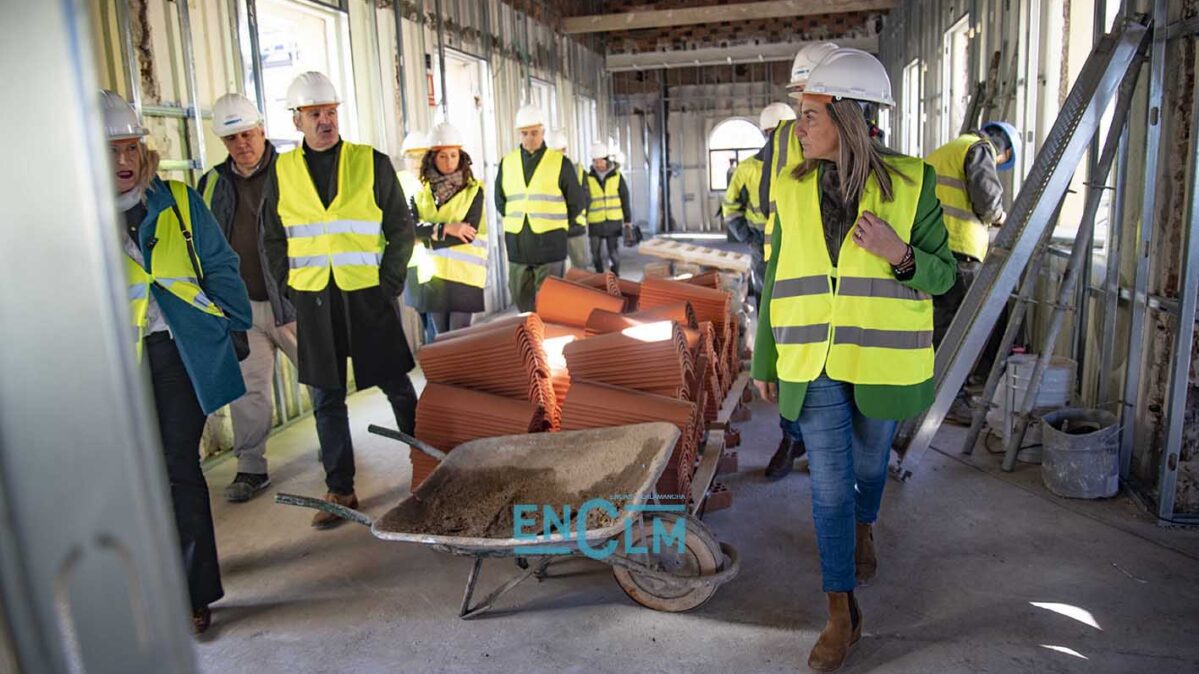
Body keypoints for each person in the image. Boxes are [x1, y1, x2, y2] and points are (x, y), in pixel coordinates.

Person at [751, 50, 955, 671]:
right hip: (812, 360)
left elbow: (944, 278)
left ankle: (867, 526)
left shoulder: (913, 184)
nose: (798, 126)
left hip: (879, 362)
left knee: (869, 471)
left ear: (850, 117)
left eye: (809, 114)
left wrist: (900, 254)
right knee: (830, 491)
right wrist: (763, 360)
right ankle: (841, 612)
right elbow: (776, 280)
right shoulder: (790, 187)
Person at [103, 90, 252, 634]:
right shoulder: (71, 219)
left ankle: (193, 593)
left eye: (128, 148)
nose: (122, 161)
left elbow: (220, 265)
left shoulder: (180, 201)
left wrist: (235, 325)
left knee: (176, 470)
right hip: (109, 366)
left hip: (175, 352)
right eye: (108, 151)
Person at [261, 71, 418, 529]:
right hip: (313, 300)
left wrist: (387, 282)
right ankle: (341, 486)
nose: (325, 122)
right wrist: (290, 285)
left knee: (396, 384)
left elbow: (400, 226)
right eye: (315, 114)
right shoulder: (283, 171)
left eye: (330, 112)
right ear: (297, 121)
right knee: (326, 396)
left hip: (366, 293)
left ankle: (430, 470)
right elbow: (272, 237)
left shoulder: (370, 161)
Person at [197, 93, 297, 503]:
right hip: (243, 308)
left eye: (248, 134)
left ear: (262, 130)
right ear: (223, 142)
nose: (242, 144)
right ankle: (251, 467)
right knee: (248, 391)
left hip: (293, 303)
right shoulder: (212, 184)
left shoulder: (292, 171)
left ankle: (338, 462)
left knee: (321, 380)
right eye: (232, 138)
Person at [755, 42, 839, 481]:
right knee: (792, 369)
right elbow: (772, 204)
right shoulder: (785, 139)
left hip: (846, 284)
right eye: (802, 93)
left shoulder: (863, 139)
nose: (805, 102)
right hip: (789, 272)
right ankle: (791, 437)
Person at [494, 105, 587, 311]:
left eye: (534, 133)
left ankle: (548, 340)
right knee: (522, 301)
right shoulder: (507, 163)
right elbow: (500, 201)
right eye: (524, 133)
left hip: (550, 245)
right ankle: (530, 340)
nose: (529, 138)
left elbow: (577, 202)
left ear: (543, 132)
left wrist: (559, 223)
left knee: (550, 304)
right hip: (518, 245)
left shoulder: (559, 162)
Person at [407, 122, 487, 335]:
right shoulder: (419, 194)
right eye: (443, 156)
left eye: (453, 155)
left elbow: (468, 234)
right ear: (432, 157)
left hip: (465, 277)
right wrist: (447, 228)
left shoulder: (474, 191)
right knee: (440, 338)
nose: (449, 162)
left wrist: (428, 232)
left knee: (458, 337)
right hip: (434, 277)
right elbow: (410, 230)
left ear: (461, 155)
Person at [724, 102, 796, 301]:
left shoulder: (801, 165)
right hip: (760, 239)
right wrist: (748, 237)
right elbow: (730, 207)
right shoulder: (748, 169)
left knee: (784, 293)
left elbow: (730, 208)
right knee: (768, 294)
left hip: (788, 238)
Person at [546, 128, 591, 270]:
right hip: (558, 230)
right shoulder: (542, 173)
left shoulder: (577, 170)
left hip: (570, 228)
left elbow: (584, 201)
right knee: (564, 272)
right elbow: (585, 201)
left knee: (578, 271)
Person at [585, 141, 631, 276]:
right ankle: (599, 276)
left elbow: (624, 197)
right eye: (595, 162)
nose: (598, 165)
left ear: (606, 160)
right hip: (595, 221)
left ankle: (615, 276)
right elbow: (585, 199)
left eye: (600, 161)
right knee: (595, 253)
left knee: (613, 252)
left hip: (613, 221)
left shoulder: (617, 176)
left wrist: (627, 220)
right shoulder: (588, 178)